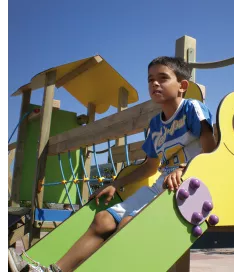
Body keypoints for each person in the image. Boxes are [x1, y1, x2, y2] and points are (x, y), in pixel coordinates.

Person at [9, 56, 217, 272]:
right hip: (160, 187)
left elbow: (210, 149)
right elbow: (150, 167)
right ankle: (54, 270)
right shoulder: (156, 125)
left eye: (163, 78)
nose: (155, 83)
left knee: (129, 226)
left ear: (182, 86)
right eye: (150, 79)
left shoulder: (192, 108)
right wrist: (116, 184)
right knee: (102, 220)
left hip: (187, 188)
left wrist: (185, 170)